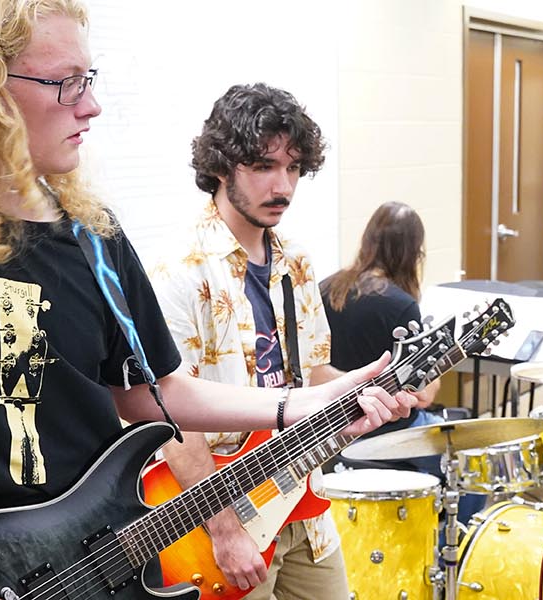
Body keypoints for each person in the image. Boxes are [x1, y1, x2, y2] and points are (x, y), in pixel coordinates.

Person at [0, 4, 411, 598]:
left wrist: (302, 403)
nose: (92, 105)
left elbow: (151, 391)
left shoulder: (93, 236)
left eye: (90, 77)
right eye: (65, 82)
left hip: (118, 568)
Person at [148, 83, 351, 599]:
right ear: (221, 166)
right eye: (264, 166)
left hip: (301, 497)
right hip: (220, 518)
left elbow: (313, 374)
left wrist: (374, 386)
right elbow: (167, 415)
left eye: (294, 168)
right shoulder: (180, 272)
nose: (282, 185)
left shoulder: (297, 262)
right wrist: (223, 529)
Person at [320, 201, 442, 452]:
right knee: (465, 457)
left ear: (367, 240)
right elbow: (424, 396)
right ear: (413, 253)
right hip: (385, 431)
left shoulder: (324, 288)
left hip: (331, 433)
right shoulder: (402, 305)